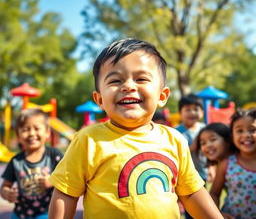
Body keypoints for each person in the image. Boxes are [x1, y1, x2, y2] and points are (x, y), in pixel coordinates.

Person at [48, 38, 223, 219]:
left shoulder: (175, 139)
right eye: (115, 80)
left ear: (162, 96)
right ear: (99, 99)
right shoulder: (88, 140)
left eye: (141, 79)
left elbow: (191, 192)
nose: (129, 86)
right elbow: (66, 193)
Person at [0, 108, 63, 219]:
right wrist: (7, 193)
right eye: (25, 129)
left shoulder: (54, 155)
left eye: (37, 128)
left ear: (47, 132)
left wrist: (53, 181)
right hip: (20, 214)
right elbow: (5, 186)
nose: (31, 133)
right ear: (18, 135)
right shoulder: (16, 161)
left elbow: (68, 176)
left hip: (47, 212)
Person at [210, 109, 256, 219]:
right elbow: (214, 194)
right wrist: (218, 214)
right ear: (232, 135)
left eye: (252, 130)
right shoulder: (227, 163)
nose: (246, 135)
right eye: (240, 131)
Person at [175, 94, 206, 219]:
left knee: (204, 205)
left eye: (196, 109)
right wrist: (191, 148)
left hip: (202, 172)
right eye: (188, 109)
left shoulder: (204, 129)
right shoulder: (176, 132)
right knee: (191, 209)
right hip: (184, 178)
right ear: (180, 113)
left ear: (202, 112)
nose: (192, 112)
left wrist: (213, 169)